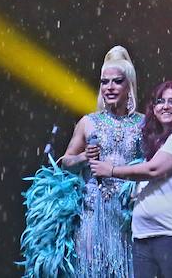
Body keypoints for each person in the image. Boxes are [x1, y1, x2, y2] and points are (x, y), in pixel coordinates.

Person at [92, 80, 172, 278]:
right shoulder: (152, 146)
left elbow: (154, 170)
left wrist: (111, 170)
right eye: (159, 101)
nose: (165, 106)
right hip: (145, 239)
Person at [52, 45, 145, 278]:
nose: (110, 87)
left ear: (129, 86)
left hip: (127, 214)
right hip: (93, 212)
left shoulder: (143, 124)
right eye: (105, 82)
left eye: (117, 81)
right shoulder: (88, 122)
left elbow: (152, 167)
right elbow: (65, 162)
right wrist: (84, 157)